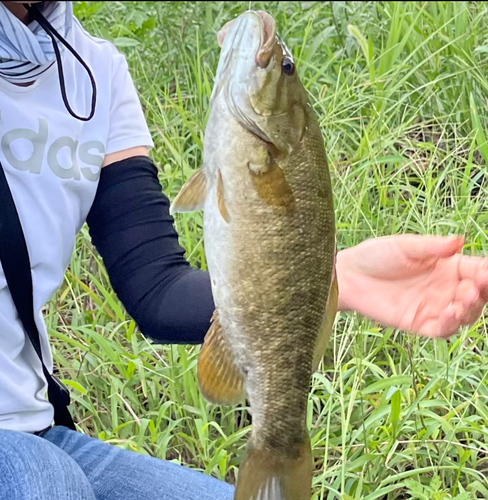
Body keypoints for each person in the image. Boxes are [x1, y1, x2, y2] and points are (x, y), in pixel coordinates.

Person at [0, 2, 487, 499]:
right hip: (33, 466)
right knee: (47, 484)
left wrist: (338, 279)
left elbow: (156, 288)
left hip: (35, 429)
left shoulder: (95, 73)